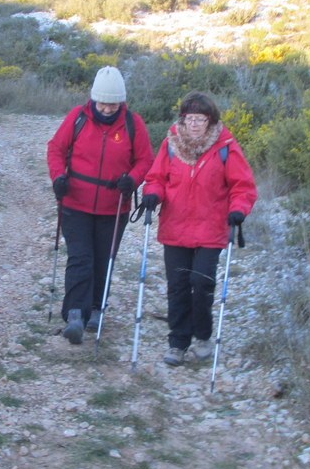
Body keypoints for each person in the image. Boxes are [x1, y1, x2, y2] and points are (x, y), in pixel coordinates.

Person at [141, 91, 257, 366]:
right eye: (189, 118)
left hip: (211, 228)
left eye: (200, 119)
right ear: (182, 119)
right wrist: (152, 194)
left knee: (202, 282)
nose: (194, 124)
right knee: (178, 286)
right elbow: (156, 177)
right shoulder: (171, 144)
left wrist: (239, 209)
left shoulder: (225, 146)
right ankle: (178, 342)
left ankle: (203, 335)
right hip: (176, 228)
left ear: (211, 121)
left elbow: (243, 185)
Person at [46, 66, 154, 344]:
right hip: (75, 201)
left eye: (112, 103)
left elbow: (145, 160)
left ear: (121, 101)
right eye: (102, 103)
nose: (106, 109)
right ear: (94, 98)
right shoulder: (77, 118)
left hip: (114, 205)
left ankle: (96, 307)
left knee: (104, 259)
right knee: (80, 257)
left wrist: (132, 179)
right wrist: (58, 176)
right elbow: (56, 149)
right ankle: (75, 314)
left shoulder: (133, 123)